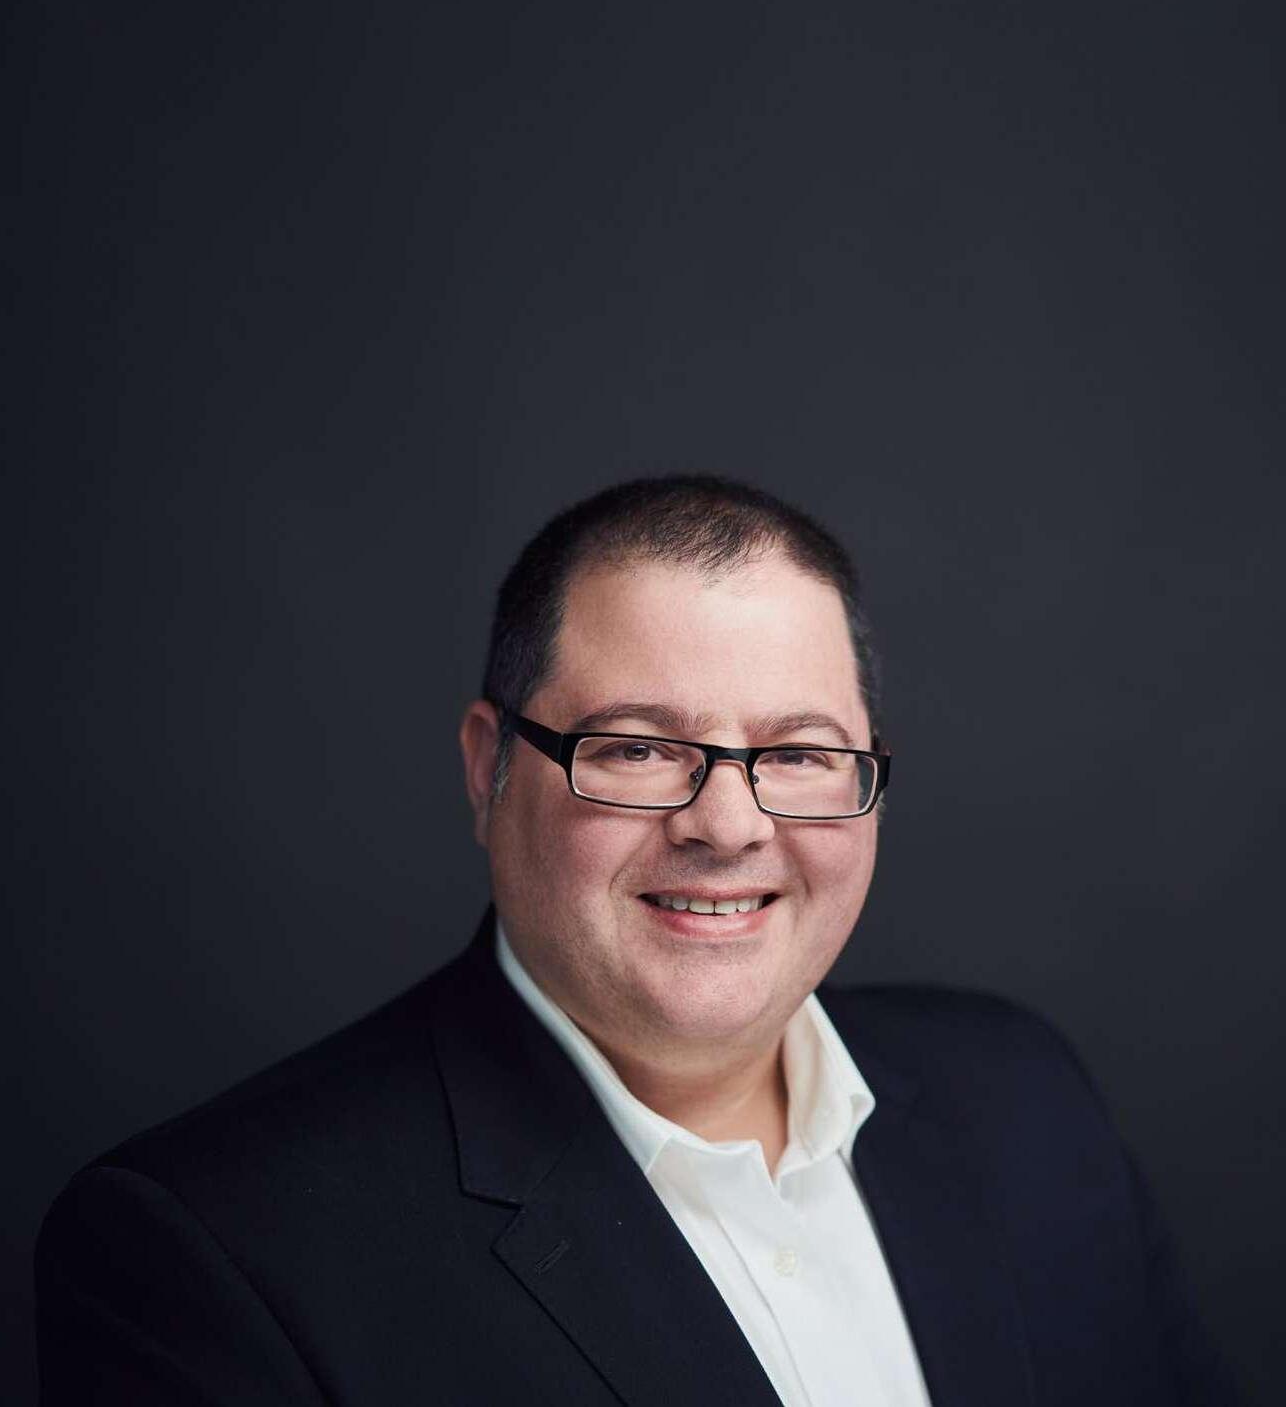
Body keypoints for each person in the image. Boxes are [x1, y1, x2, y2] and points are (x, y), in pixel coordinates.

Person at [36, 474, 1236, 1405]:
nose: (728, 823)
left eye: (798, 752)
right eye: (637, 747)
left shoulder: (1024, 1099)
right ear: (488, 768)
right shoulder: (216, 1252)